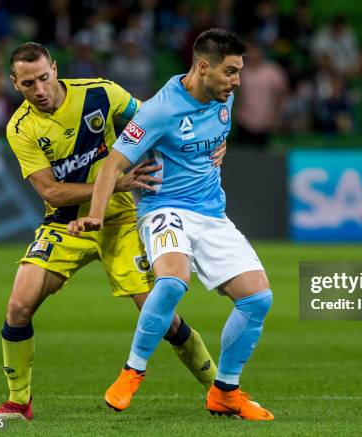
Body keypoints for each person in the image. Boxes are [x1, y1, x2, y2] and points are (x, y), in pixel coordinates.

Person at [0, 42, 224, 420]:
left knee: (161, 316)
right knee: (18, 306)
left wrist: (210, 143)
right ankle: (17, 402)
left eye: (44, 78)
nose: (40, 89)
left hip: (122, 222)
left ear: (55, 69)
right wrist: (116, 184)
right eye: (29, 84)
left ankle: (222, 391)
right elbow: (51, 191)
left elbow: (161, 123)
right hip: (66, 224)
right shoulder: (21, 128)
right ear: (15, 84)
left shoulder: (101, 93)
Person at [68, 29, 274, 421]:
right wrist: (95, 213)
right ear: (202, 67)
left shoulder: (223, 100)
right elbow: (113, 163)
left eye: (239, 72)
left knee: (258, 299)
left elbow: (212, 139)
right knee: (173, 280)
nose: (237, 81)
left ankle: (225, 392)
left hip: (211, 212)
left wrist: (222, 145)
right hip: (164, 207)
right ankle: (133, 371)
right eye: (231, 72)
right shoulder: (159, 111)